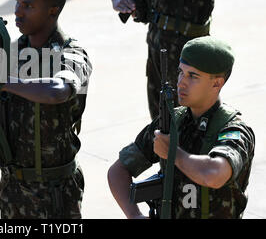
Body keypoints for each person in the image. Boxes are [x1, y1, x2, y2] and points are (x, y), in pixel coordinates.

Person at [0, 0, 92, 219]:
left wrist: (7, 82)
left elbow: (58, 91)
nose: (18, 12)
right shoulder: (11, 53)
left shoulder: (72, 54)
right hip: (12, 189)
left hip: (56, 192)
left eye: (28, 5)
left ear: (53, 10)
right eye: (17, 3)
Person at [107, 36, 255, 219]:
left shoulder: (233, 130)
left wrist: (173, 153)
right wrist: (134, 215)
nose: (180, 82)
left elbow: (214, 174)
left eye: (193, 76)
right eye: (180, 72)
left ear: (216, 83)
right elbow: (118, 170)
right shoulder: (172, 120)